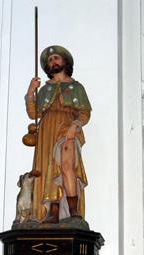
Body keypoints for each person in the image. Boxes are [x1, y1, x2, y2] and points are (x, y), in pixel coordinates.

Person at [25, 45, 91, 223]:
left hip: (68, 127)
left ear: (64, 61)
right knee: (49, 168)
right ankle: (53, 210)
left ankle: (73, 210)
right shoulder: (45, 89)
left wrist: (75, 125)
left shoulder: (76, 87)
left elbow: (85, 112)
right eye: (50, 60)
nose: (53, 61)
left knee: (67, 165)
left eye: (56, 58)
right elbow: (34, 114)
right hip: (47, 130)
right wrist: (31, 92)